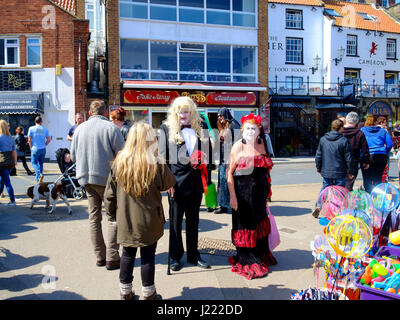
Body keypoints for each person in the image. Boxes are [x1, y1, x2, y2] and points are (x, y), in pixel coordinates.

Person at [104, 122, 176, 300]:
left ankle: (125, 292)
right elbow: (168, 183)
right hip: (149, 218)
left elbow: (109, 195)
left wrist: (112, 216)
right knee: (147, 257)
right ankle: (149, 294)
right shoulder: (155, 161)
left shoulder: (119, 161)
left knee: (127, 255)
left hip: (125, 218)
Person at [158, 96, 211, 272]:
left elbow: (208, 154)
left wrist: (205, 156)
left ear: (192, 113)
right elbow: (162, 159)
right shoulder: (165, 129)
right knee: (175, 222)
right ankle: (174, 256)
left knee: (193, 221)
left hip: (195, 183)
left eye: (186, 112)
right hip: (176, 184)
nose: (182, 115)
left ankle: (194, 255)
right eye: (179, 112)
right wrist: (167, 183)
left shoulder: (199, 128)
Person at [71, 100, 125, 270]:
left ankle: (100, 256)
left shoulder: (79, 129)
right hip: (106, 179)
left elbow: (73, 157)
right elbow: (122, 155)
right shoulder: (111, 129)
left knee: (94, 217)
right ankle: (112, 257)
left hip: (86, 179)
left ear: (90, 112)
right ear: (106, 111)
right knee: (112, 217)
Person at [226, 113, 276, 279]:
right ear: (242, 130)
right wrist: (232, 197)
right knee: (246, 226)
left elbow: (266, 171)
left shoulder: (263, 145)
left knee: (259, 224)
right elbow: (229, 174)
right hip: (243, 196)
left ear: (259, 130)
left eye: (253, 128)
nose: (250, 131)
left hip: (259, 196)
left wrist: (268, 190)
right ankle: (247, 259)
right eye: (247, 128)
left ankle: (260, 255)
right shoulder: (237, 147)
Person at [315, 119, 355, 192]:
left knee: (325, 189)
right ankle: (336, 203)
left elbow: (318, 155)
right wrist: (350, 171)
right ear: (341, 128)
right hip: (340, 171)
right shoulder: (343, 140)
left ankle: (321, 202)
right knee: (339, 191)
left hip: (326, 170)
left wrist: (318, 168)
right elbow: (349, 158)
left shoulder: (323, 139)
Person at [215, 107, 241, 214]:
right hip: (223, 158)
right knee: (222, 182)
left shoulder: (234, 125)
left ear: (225, 114)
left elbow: (237, 142)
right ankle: (223, 205)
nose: (219, 118)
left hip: (229, 158)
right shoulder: (226, 125)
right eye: (218, 116)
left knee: (227, 182)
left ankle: (226, 205)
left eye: (220, 115)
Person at [361, 116, 393, 193]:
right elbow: (389, 144)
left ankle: (368, 196)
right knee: (378, 178)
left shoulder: (362, 131)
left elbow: (359, 143)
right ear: (375, 123)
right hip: (381, 155)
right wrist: (385, 152)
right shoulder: (382, 131)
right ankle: (376, 196)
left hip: (367, 155)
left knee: (367, 178)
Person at [341, 112, 370, 191]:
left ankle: (339, 201)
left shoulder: (340, 132)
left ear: (346, 120)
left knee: (338, 185)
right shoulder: (359, 133)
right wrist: (366, 161)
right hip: (353, 161)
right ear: (357, 122)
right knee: (349, 185)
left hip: (339, 161)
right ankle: (346, 201)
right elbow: (365, 149)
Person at [27, 116, 50, 183]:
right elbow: (48, 140)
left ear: (35, 121)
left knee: (34, 162)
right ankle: (38, 178)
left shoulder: (31, 128)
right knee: (41, 163)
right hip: (43, 148)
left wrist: (31, 147)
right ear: (41, 122)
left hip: (35, 148)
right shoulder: (45, 129)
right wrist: (44, 145)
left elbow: (29, 139)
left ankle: (39, 174)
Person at [0, 120, 17, 206]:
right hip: (9, 162)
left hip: (1, 162)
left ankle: (12, 200)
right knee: (5, 181)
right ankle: (12, 200)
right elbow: (14, 152)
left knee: (5, 181)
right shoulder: (11, 138)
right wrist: (15, 162)